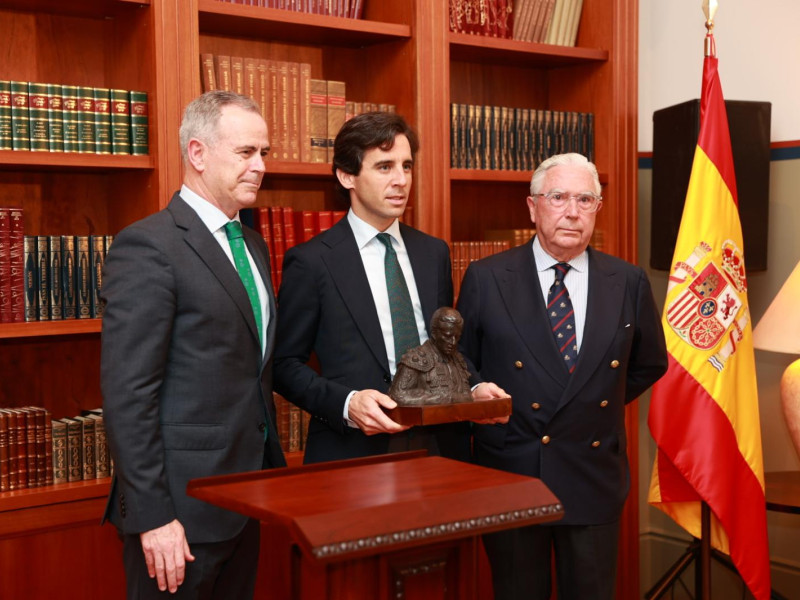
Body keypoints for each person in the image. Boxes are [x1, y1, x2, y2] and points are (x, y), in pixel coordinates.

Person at [456, 153, 668, 600]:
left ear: (597, 208)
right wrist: (477, 390)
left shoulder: (627, 281)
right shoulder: (487, 277)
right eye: (558, 197)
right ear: (532, 207)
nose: (572, 211)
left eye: (585, 199)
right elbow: (459, 360)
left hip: (592, 473)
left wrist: (588, 404)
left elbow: (650, 363)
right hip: (512, 472)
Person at [100, 90, 286, 599]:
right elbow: (128, 394)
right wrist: (154, 516)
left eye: (264, 153)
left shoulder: (251, 243)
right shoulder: (148, 245)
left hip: (246, 499)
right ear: (198, 153)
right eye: (246, 152)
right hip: (178, 515)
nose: (260, 166)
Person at [273, 111, 505, 463]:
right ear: (346, 175)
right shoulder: (312, 262)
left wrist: (473, 387)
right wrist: (348, 403)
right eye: (385, 167)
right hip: (354, 450)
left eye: (407, 166)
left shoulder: (433, 252)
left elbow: (443, 348)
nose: (401, 180)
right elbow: (284, 365)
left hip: (441, 446)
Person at [388, 306, 473, 406]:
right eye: (447, 336)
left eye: (457, 337)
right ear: (434, 333)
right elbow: (397, 396)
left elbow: (468, 396)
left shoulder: (458, 359)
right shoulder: (416, 359)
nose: (453, 342)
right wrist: (442, 399)